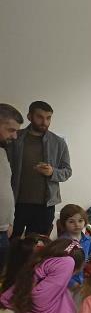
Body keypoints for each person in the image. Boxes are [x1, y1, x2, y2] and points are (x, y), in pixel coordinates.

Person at [7, 101, 72, 237]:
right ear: (29, 116)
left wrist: (52, 172)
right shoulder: (14, 137)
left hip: (45, 206)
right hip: (15, 202)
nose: (44, 122)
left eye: (48, 118)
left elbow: (67, 171)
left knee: (38, 245)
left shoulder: (58, 143)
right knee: (11, 242)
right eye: (40, 117)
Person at [0, 103, 22, 269]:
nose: (14, 136)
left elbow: (6, 189)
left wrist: (10, 222)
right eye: (11, 130)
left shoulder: (2, 152)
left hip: (3, 231)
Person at [57, 204, 91, 289]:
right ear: (64, 223)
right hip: (66, 284)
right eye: (71, 221)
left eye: (80, 221)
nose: (77, 224)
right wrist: (72, 283)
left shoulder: (89, 240)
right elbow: (58, 269)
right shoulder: (61, 243)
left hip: (85, 281)